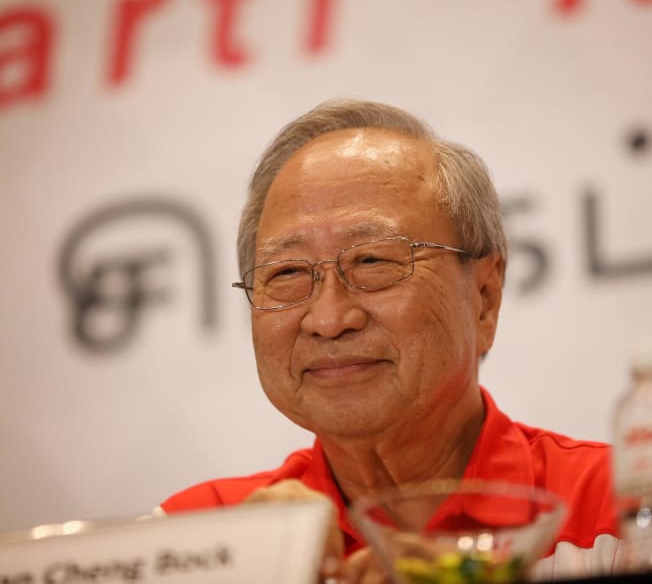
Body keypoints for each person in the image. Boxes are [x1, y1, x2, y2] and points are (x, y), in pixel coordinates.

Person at [158, 98, 621, 582]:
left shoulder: (621, 511)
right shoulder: (198, 540)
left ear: (484, 297)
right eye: (289, 272)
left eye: (374, 261)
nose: (330, 318)